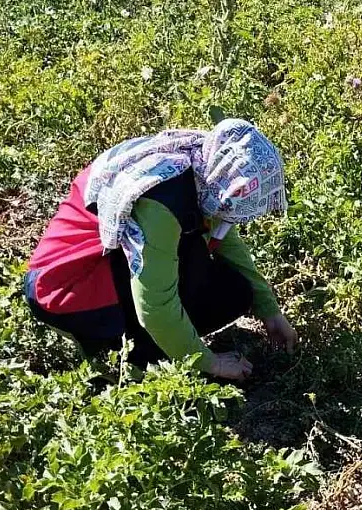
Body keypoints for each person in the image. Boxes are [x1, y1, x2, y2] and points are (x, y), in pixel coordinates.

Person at [23, 118, 297, 381]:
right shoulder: (162, 202)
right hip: (64, 290)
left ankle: (160, 344)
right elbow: (154, 307)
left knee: (235, 291)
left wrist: (269, 311)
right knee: (189, 264)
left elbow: (225, 236)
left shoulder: (206, 168)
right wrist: (210, 362)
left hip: (103, 270)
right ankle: (129, 355)